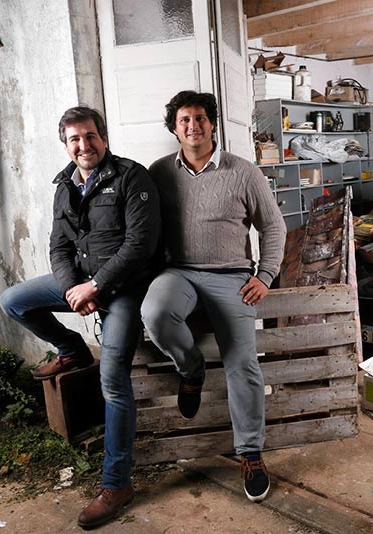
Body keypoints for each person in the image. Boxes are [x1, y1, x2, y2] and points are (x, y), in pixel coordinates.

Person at [0, 106, 160, 529]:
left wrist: (97, 287)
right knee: (13, 300)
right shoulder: (63, 186)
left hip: (122, 289)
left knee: (113, 383)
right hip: (82, 284)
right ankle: (72, 350)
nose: (83, 145)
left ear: (102, 137)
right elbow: (58, 248)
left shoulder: (131, 176)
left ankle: (116, 483)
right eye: (74, 139)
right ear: (66, 144)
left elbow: (141, 244)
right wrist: (74, 289)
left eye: (90, 136)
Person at [141, 91, 286, 503]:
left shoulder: (243, 172)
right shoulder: (159, 173)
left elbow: (273, 228)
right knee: (155, 313)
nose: (193, 126)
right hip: (179, 272)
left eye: (201, 118)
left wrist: (266, 275)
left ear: (213, 124)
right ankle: (191, 371)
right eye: (184, 119)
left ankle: (251, 452)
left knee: (243, 363)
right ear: (174, 128)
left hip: (233, 277)